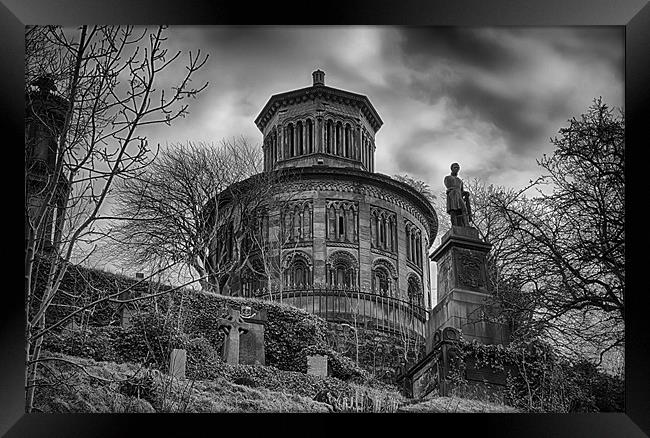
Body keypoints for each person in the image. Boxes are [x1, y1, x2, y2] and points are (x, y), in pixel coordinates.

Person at [444, 162, 471, 227]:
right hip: (452, 195)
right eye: (455, 167)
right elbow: (448, 186)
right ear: (452, 169)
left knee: (464, 209)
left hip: (459, 196)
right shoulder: (447, 178)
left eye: (458, 168)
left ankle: (467, 225)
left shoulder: (460, 181)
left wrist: (465, 193)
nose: (456, 169)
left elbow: (461, 191)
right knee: (453, 211)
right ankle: (454, 226)